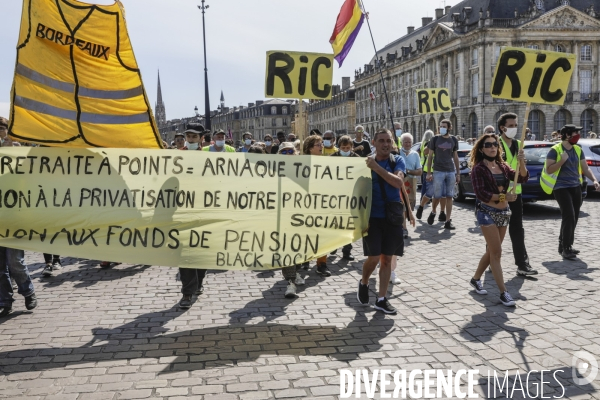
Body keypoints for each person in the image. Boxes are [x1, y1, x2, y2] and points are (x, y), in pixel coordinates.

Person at [469, 133, 529, 307]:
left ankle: (475, 279)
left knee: (492, 252)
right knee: (496, 253)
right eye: (488, 145)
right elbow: (482, 194)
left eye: (495, 144)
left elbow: (523, 177)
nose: (492, 147)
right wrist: (504, 196)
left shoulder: (502, 166)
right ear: (481, 148)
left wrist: (521, 162)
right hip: (486, 212)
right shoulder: (478, 169)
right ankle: (504, 293)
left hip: (504, 214)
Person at [357, 129, 407, 314]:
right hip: (372, 217)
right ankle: (363, 282)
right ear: (374, 142)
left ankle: (381, 298)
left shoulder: (397, 160)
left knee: (387, 259)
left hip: (392, 217)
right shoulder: (364, 163)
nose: (386, 144)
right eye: (381, 141)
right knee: (374, 258)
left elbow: (398, 183)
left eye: (389, 140)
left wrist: (377, 168)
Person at [542, 125, 600, 259]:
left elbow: (585, 168)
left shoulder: (578, 149)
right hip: (561, 187)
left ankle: (565, 244)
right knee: (568, 215)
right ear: (567, 135)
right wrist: (562, 161)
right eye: (575, 133)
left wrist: (595, 180)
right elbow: (549, 169)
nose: (578, 135)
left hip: (576, 186)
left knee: (573, 217)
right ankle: (566, 248)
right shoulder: (555, 150)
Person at [497, 113, 537, 276]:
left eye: (516, 125)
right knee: (497, 230)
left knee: (517, 229)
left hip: (516, 193)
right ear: (502, 127)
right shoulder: (495, 144)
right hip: (499, 194)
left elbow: (523, 174)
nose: (514, 128)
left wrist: (521, 161)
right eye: (511, 126)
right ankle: (493, 260)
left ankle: (522, 264)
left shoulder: (519, 144)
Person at [178, 123, 209, 309]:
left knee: (202, 251)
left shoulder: (209, 158)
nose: (190, 139)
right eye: (188, 136)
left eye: (194, 137)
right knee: (186, 254)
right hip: (183, 211)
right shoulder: (175, 157)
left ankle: (199, 282)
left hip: (204, 211)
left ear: (200, 139)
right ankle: (187, 293)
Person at [274, 142, 307, 297]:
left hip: (300, 216)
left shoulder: (303, 170)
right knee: (286, 248)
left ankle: (297, 272)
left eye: (290, 151)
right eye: (283, 151)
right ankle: (290, 282)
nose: (287, 154)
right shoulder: (272, 171)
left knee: (299, 248)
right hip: (281, 217)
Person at [303, 135, 331, 277]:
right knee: (306, 233)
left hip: (322, 203)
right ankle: (305, 258)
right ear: (309, 148)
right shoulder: (301, 163)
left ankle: (322, 263)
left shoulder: (327, 162)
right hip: (305, 204)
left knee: (323, 234)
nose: (321, 146)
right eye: (317, 144)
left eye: (321, 144)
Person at [426, 120, 460, 229]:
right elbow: (430, 156)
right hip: (438, 171)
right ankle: (433, 211)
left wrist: (458, 173)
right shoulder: (435, 139)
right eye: (440, 126)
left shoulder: (453, 139)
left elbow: (455, 157)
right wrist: (429, 172)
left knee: (449, 196)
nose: (442, 128)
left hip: (450, 170)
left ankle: (448, 220)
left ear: (449, 128)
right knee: (437, 196)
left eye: (444, 127)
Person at [329, 135, 359, 261]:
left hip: (350, 196)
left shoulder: (357, 159)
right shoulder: (332, 159)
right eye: (343, 148)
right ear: (339, 147)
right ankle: (333, 244)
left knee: (348, 225)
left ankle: (347, 251)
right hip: (335, 195)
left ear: (352, 148)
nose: (345, 150)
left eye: (348, 148)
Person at [398, 133, 421, 240]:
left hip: (411, 182)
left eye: (409, 142)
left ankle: (402, 223)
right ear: (402, 143)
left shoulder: (415, 154)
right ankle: (403, 228)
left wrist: (408, 171)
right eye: (405, 142)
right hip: (399, 182)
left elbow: (419, 171)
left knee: (409, 205)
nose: (407, 144)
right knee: (402, 205)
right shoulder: (397, 153)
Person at [415, 130, 435, 220]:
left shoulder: (423, 143)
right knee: (429, 187)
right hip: (429, 168)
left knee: (424, 186)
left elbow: (420, 153)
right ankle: (425, 201)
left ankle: (423, 201)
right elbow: (427, 153)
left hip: (424, 166)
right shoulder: (428, 143)